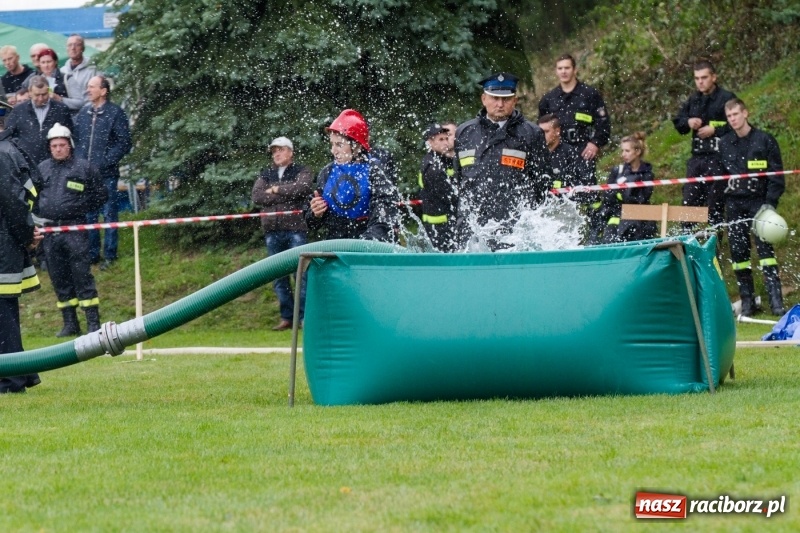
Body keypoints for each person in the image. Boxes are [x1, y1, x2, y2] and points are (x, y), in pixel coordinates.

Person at [452, 72, 553, 250]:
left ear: (514, 101)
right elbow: (459, 177)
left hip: (514, 227)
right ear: (484, 99)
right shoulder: (465, 132)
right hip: (471, 225)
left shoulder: (531, 133)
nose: (500, 104)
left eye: (505, 99)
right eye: (494, 98)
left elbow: (542, 181)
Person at [35, 123, 107, 336]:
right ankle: (70, 323)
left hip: (75, 229)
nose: (58, 149)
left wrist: (80, 208)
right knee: (59, 278)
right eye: (54, 145)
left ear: (70, 145)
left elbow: (101, 195)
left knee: (81, 275)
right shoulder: (42, 169)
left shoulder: (84, 168)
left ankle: (93, 323)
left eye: (62, 145)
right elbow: (33, 196)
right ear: (49, 147)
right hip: (50, 231)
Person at [720, 98, 786, 317]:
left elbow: (777, 176)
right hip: (734, 204)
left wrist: (770, 204)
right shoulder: (725, 143)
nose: (732, 119)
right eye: (729, 116)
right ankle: (747, 303)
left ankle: (776, 301)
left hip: (759, 203)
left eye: (735, 114)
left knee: (766, 252)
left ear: (745, 113)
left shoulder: (764, 140)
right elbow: (719, 180)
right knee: (739, 254)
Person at [304, 108, 399, 242]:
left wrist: (365, 243)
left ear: (357, 146)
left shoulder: (375, 171)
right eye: (332, 144)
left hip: (370, 243)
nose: (333, 151)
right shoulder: (327, 172)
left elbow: (384, 215)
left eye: (339, 145)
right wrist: (315, 214)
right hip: (337, 242)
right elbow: (311, 223)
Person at [251, 136, 314, 331]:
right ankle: (287, 317)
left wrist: (276, 189)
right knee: (279, 277)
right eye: (274, 151)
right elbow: (257, 196)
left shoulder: (302, 170)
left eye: (280, 150)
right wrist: (285, 194)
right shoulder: (266, 173)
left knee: (300, 275)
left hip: (296, 230)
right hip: (272, 231)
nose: (276, 154)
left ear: (290, 152)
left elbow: (302, 189)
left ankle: (303, 317)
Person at [73, 75, 132, 269]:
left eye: (92, 87)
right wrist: (81, 163)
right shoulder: (83, 113)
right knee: (89, 214)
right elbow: (78, 141)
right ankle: (92, 254)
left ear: (103, 91)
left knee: (109, 213)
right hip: (86, 173)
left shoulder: (115, 113)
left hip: (107, 174)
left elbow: (124, 142)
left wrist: (104, 162)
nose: (88, 90)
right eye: (88, 86)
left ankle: (110, 254)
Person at [0, 128, 43, 393]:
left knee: (3, 316)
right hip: (6, 243)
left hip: (3, 247)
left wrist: (27, 234)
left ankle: (11, 380)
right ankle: (22, 373)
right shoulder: (6, 151)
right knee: (5, 315)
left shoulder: (2, 154)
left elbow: (14, 203)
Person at [672, 60, 736, 228]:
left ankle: (715, 240)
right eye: (697, 78)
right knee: (689, 202)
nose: (700, 82)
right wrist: (688, 122)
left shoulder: (727, 98)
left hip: (718, 158)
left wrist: (715, 129)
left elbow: (737, 125)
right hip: (697, 159)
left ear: (713, 77)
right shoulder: (693, 100)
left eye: (704, 77)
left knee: (715, 204)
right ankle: (688, 239)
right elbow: (678, 121)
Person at [538, 54, 610, 167]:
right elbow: (540, 129)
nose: (563, 72)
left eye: (567, 68)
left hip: (584, 152)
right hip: (557, 154)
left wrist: (595, 143)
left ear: (575, 70)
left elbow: (603, 123)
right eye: (560, 68)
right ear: (556, 71)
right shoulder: (549, 99)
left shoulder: (589, 94)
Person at [537, 114, 599, 242]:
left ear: (557, 131)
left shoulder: (571, 154)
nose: (542, 136)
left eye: (546, 132)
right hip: (540, 212)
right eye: (540, 132)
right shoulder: (536, 154)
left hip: (566, 211)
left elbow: (585, 186)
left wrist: (563, 188)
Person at [599, 132, 657, 243]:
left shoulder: (647, 174)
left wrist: (623, 193)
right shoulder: (617, 171)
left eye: (627, 151)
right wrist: (620, 193)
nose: (623, 154)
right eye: (622, 151)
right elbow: (607, 195)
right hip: (617, 215)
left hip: (639, 219)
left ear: (637, 152)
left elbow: (642, 199)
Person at [4, 75, 74, 164]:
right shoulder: (19, 110)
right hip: (27, 162)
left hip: (54, 163)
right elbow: (9, 134)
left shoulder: (61, 109)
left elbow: (70, 136)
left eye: (44, 94)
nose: (41, 98)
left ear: (49, 91)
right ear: (30, 92)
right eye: (37, 95)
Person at [418, 122, 457, 252]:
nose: (446, 142)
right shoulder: (432, 168)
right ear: (430, 142)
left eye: (446, 138)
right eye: (440, 140)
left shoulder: (440, 160)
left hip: (442, 223)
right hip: (439, 228)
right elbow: (452, 198)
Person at [60, 35, 98, 114]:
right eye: (70, 45)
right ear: (66, 48)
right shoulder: (62, 71)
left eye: (77, 45)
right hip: (68, 115)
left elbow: (99, 94)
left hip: (89, 114)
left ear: (83, 48)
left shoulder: (93, 70)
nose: (73, 48)